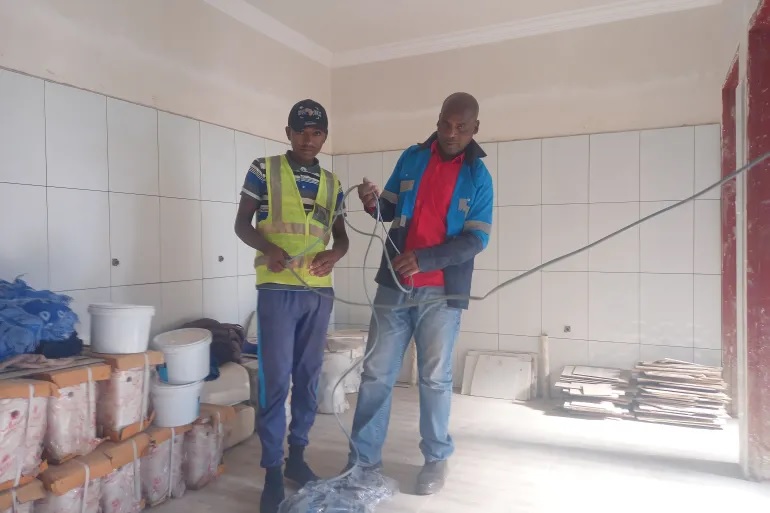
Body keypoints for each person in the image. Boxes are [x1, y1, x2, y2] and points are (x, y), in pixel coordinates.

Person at [347, 92, 493, 495]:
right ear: (438, 119)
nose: (451, 132)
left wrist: (426, 260)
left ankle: (435, 458)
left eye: (461, 127)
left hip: (441, 294)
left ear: (475, 128)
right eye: (446, 123)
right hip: (394, 285)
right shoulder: (412, 158)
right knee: (376, 373)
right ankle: (362, 461)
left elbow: (476, 240)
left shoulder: (479, 177)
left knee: (434, 379)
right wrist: (371, 203)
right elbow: (388, 212)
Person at [234, 99, 348, 513]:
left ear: (324, 137)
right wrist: (268, 248)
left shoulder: (333, 183)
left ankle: (297, 456)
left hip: (318, 293)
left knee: (308, 376)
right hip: (277, 290)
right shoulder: (263, 169)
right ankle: (271, 470)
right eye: (301, 131)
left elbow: (342, 237)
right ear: (288, 132)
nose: (308, 139)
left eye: (316, 133)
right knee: (275, 379)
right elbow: (241, 224)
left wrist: (336, 254)